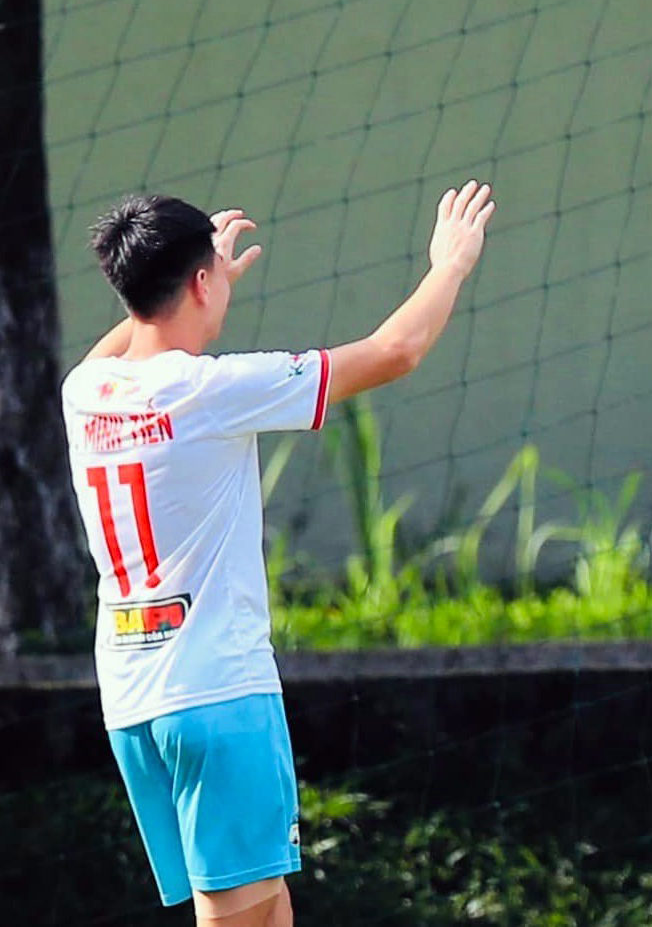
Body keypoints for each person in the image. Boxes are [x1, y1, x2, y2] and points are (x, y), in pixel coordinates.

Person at [62, 181, 495, 926]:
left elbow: (133, 332)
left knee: (268, 906)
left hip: (133, 699)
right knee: (232, 912)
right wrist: (450, 263)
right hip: (216, 694)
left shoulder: (86, 392)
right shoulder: (212, 390)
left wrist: (189, 273)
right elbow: (396, 350)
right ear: (201, 283)